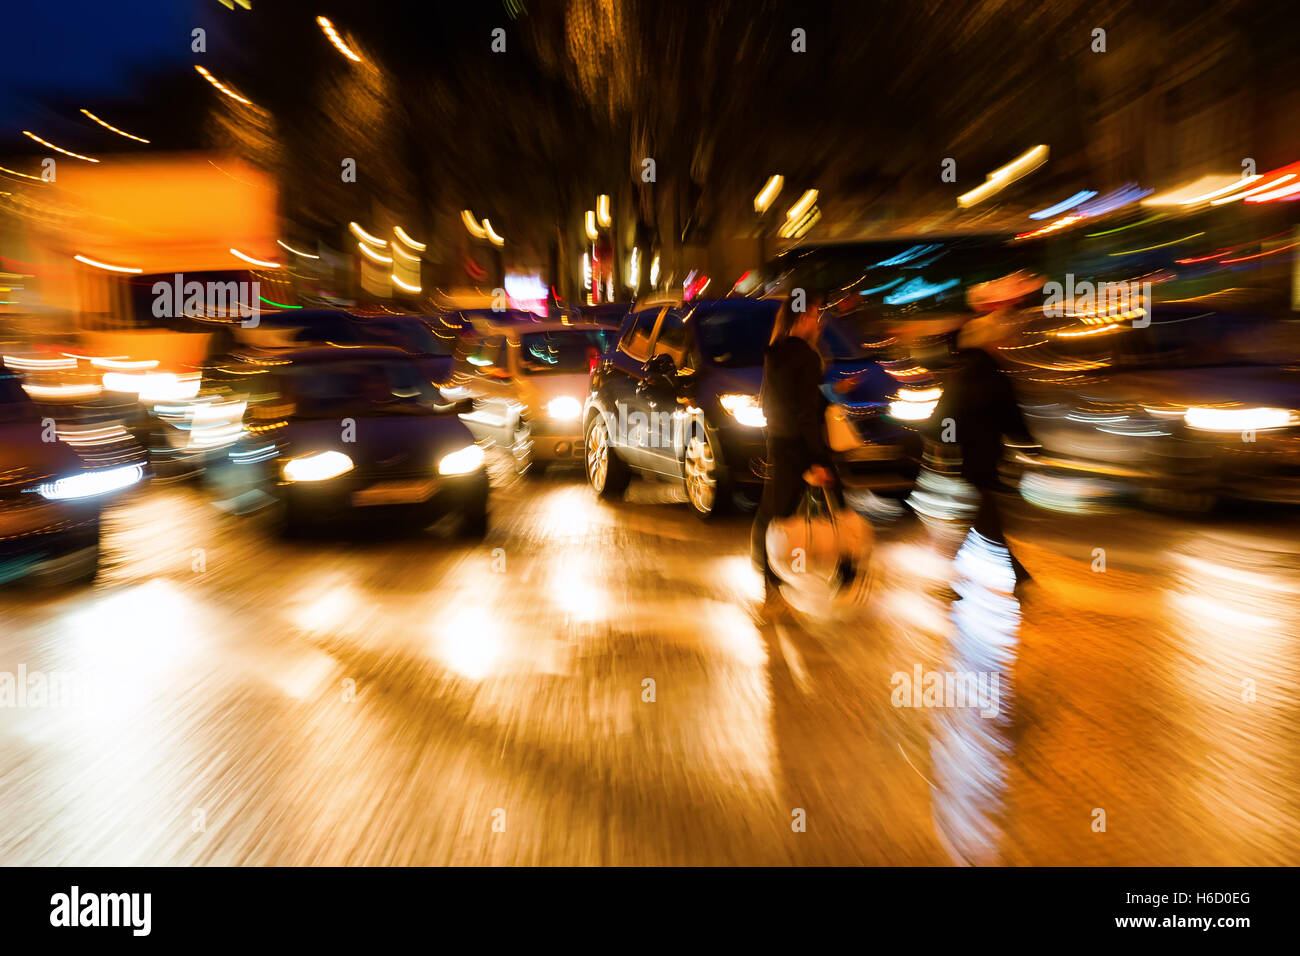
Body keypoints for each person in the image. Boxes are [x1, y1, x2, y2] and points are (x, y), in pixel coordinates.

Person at [929, 276, 1038, 589]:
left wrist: (935, 439)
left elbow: (946, 411)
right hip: (985, 452)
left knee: (980, 514)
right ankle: (1015, 574)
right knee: (984, 514)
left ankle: (1008, 573)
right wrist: (1028, 443)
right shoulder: (990, 371)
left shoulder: (961, 370)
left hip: (965, 452)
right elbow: (1008, 410)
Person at [751, 292, 856, 616]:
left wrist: (830, 394)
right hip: (804, 446)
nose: (819, 321)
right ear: (801, 319)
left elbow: (774, 404)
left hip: (779, 445)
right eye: (814, 315)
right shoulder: (807, 357)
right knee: (837, 509)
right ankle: (847, 575)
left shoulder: (774, 353)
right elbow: (806, 413)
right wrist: (818, 459)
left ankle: (771, 585)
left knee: (775, 514)